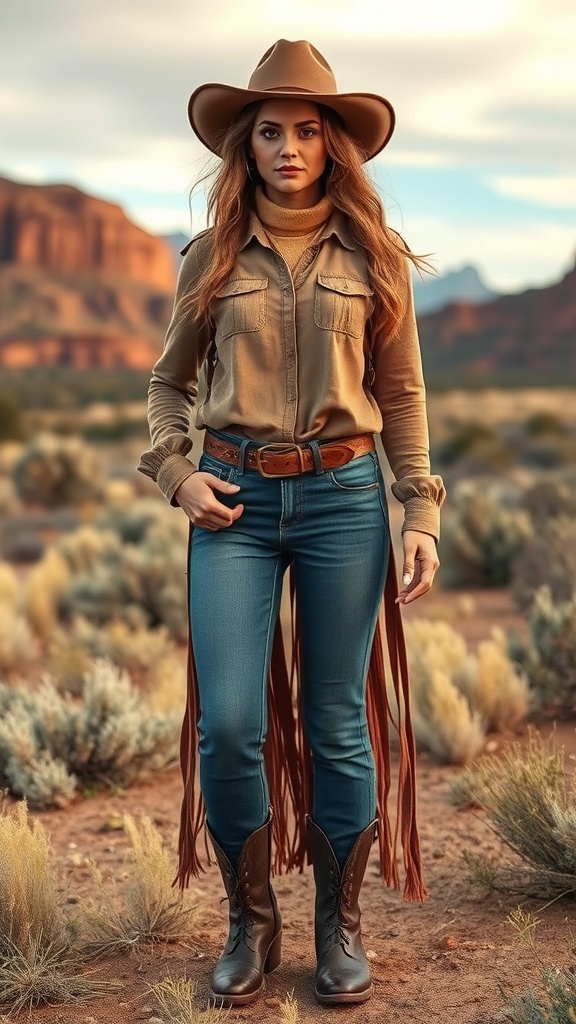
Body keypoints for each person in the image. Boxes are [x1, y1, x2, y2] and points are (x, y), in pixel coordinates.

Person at [138, 38, 445, 1008]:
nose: (287, 148)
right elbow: (166, 387)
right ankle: (248, 917)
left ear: (332, 144)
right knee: (228, 725)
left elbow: (401, 394)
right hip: (231, 499)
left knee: (337, 723)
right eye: (268, 131)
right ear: (247, 146)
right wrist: (177, 474)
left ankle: (337, 926)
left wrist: (420, 508)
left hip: (347, 500)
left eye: (306, 131)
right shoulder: (213, 258)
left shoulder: (374, 260)